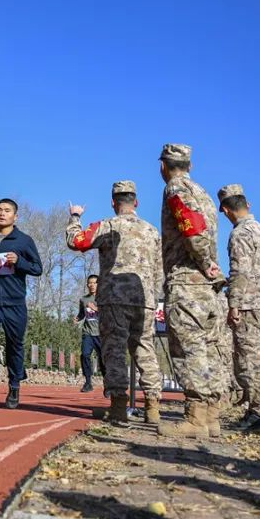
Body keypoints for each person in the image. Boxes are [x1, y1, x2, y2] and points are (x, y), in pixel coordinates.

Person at [66, 182, 163, 425]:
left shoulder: (107, 226)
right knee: (145, 348)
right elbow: (159, 271)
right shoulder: (152, 232)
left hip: (113, 299)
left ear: (113, 202)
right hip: (145, 301)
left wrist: (75, 217)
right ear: (136, 202)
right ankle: (153, 407)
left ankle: (119, 406)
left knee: (115, 350)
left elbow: (76, 241)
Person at [157, 144, 224, 438]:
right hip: (206, 288)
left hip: (187, 281)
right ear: (190, 165)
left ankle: (196, 418)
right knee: (207, 350)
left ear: (163, 166)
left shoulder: (176, 189)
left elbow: (192, 230)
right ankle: (210, 417)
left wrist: (207, 263)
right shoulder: (204, 193)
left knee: (188, 349)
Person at [217, 184, 260, 429]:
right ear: (247, 204)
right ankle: (257, 407)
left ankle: (258, 411)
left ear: (225, 209)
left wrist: (234, 304)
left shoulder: (240, 234)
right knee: (256, 355)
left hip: (249, 302)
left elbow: (239, 271)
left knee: (249, 358)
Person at [0, 199, 43, 409]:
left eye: (7, 211)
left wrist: (19, 262)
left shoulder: (23, 241)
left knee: (15, 345)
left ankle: (14, 387)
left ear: (15, 216)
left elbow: (37, 268)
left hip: (15, 302)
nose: (2, 213)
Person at [73, 275, 102, 392]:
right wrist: (77, 318)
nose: (92, 285)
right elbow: (82, 314)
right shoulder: (84, 299)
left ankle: (108, 383)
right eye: (89, 283)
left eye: (94, 283)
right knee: (85, 355)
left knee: (103, 359)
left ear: (98, 284)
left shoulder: (104, 298)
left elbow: (109, 313)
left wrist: (96, 309)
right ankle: (88, 382)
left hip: (101, 333)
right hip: (88, 333)